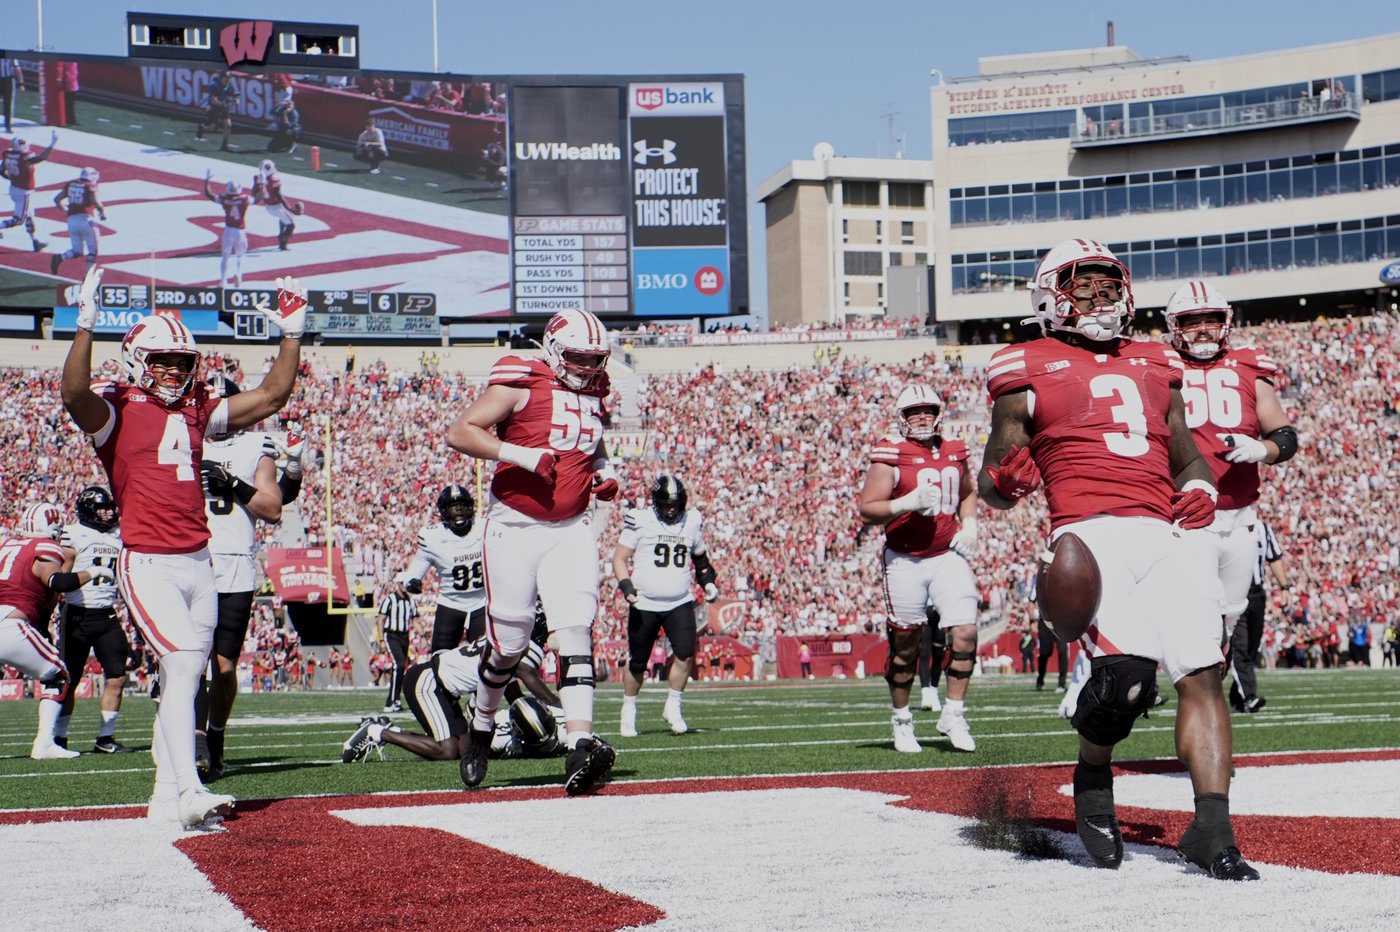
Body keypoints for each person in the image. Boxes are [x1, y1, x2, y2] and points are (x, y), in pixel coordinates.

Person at [979, 237, 1257, 880]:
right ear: (1052, 297)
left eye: (1110, 285)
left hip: (1167, 530)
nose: (1101, 297)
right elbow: (996, 478)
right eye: (1085, 287)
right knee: (1127, 682)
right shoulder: (1022, 362)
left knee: (1202, 671)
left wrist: (1198, 485)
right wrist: (1005, 482)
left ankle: (1212, 828)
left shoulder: (1159, 360)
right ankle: (1094, 769)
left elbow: (1186, 451)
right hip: (1087, 530)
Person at [60, 264, 307, 829]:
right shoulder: (115, 409)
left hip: (201, 561)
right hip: (149, 560)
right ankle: (192, 787)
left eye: (182, 361)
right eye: (162, 361)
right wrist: (85, 324)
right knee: (184, 661)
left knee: (185, 676)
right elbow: (73, 391)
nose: (173, 372)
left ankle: (165, 796)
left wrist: (292, 334)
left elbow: (271, 396)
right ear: (134, 360)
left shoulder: (196, 409)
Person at [444, 306, 619, 795]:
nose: (588, 367)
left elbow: (593, 446)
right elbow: (461, 431)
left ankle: (580, 746)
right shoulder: (522, 379)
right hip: (514, 528)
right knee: (509, 648)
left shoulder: (595, 392)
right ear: (555, 350)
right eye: (580, 357)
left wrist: (605, 471)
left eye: (595, 358)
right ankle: (480, 727)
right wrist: (520, 455)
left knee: (576, 629)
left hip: (570, 527)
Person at [1162, 280, 1298, 674]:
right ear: (1174, 325)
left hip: (1241, 514)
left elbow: (1285, 437)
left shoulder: (1250, 367)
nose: (1203, 328)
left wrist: (1263, 450)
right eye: (1192, 321)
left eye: (1211, 319)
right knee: (1197, 610)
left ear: (1226, 322)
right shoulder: (1158, 367)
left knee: (1231, 614)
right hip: (1186, 511)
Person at [858, 383, 980, 753]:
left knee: (965, 633)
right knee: (905, 648)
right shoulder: (890, 452)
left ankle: (954, 714)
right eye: (914, 412)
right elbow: (868, 508)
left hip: (946, 555)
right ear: (902, 418)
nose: (922, 417)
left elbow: (967, 492)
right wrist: (905, 502)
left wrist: (970, 523)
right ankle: (902, 721)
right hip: (905, 559)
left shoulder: (955, 450)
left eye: (927, 410)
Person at [195, 374, 284, 781]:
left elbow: (273, 508)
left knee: (224, 668)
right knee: (190, 661)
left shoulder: (254, 445)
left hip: (234, 563)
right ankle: (193, 744)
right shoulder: (182, 440)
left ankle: (215, 733)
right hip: (191, 558)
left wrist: (235, 485)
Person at [342, 614, 565, 765]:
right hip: (428, 682)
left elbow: (514, 695)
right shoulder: (524, 645)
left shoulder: (506, 638)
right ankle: (377, 732)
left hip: (443, 689)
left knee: (466, 749)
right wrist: (560, 706)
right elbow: (525, 672)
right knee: (447, 750)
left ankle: (390, 729)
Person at [613, 475, 721, 737]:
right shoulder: (640, 519)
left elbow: (700, 559)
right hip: (644, 602)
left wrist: (707, 581)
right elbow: (619, 558)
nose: (672, 510)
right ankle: (629, 709)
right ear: (657, 502)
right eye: (667, 505)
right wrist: (627, 587)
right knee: (638, 662)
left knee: (685, 652)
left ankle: (673, 706)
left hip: (679, 601)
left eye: (676, 505)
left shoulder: (692, 520)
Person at [3, 503, 110, 760]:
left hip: (11, 620)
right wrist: (94, 571)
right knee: (59, 674)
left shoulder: (6, 545)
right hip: (9, 625)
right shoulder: (44, 547)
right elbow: (58, 581)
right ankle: (45, 743)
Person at [51, 486, 131, 753]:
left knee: (117, 676)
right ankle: (60, 737)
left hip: (107, 613)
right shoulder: (73, 534)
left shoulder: (119, 537)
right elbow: (60, 578)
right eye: (102, 508)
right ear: (88, 510)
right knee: (69, 680)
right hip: (77, 614)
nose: (108, 513)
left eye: (110, 508)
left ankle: (105, 739)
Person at [396, 484, 485, 652]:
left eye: (461, 504)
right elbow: (417, 567)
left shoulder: (485, 527)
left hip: (482, 601)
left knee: (486, 658)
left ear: (470, 506)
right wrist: (412, 581)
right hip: (451, 603)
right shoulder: (432, 537)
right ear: (444, 510)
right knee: (440, 658)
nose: (458, 509)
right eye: (452, 506)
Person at [1229, 520, 1286, 712]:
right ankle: (1249, 696)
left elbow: (1275, 557)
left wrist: (1284, 586)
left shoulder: (1263, 527)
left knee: (1252, 647)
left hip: (1257, 594)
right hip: (1234, 592)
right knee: (1240, 647)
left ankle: (1238, 697)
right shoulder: (1225, 523)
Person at [0, 131, 56, 252]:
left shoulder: (8, 154)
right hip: (24, 192)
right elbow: (42, 157)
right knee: (20, 220)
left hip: (14, 188)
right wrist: (52, 144)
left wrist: (11, 177)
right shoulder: (24, 157)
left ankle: (35, 241)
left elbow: (1, 171)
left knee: (29, 217)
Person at [50, 167, 105, 277]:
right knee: (93, 252)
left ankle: (60, 257)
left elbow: (57, 199)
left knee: (77, 251)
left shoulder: (71, 184)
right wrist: (101, 210)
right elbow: (95, 200)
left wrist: (66, 210)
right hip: (86, 220)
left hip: (72, 221)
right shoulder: (90, 186)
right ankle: (88, 278)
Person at [203, 171, 252, 290]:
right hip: (240, 230)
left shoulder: (224, 198)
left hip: (228, 229)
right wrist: (262, 182)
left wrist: (207, 182)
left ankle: (223, 281)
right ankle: (239, 274)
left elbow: (209, 195)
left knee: (225, 256)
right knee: (241, 255)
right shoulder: (244, 199)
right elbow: (259, 197)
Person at [376, 582, 419, 713]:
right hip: (392, 635)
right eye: (403, 583)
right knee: (399, 665)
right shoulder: (390, 599)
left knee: (401, 668)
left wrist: (424, 632)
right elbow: (380, 620)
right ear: (398, 584)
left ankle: (392, 700)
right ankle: (394, 700)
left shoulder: (411, 601)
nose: (406, 586)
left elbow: (415, 621)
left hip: (404, 636)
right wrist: (381, 640)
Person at [253, 159, 298, 251]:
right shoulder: (274, 179)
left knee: (283, 220)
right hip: (277, 206)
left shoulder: (258, 179)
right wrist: (289, 208)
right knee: (291, 225)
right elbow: (279, 196)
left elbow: (254, 193)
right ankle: (282, 238)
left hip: (268, 207)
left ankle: (282, 245)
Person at [196, 70, 240, 151]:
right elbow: (214, 101)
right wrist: (223, 104)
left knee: (228, 125)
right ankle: (202, 128)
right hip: (214, 108)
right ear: (221, 78)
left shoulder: (230, 86)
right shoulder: (215, 85)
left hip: (223, 109)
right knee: (212, 128)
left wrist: (236, 101)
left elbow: (235, 96)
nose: (227, 80)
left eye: (229, 78)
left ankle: (224, 145)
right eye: (225, 78)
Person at [0, 54, 22, 133]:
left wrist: (21, 83)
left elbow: (17, 67)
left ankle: (8, 126)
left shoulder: (10, 54)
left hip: (8, 80)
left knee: (9, 104)